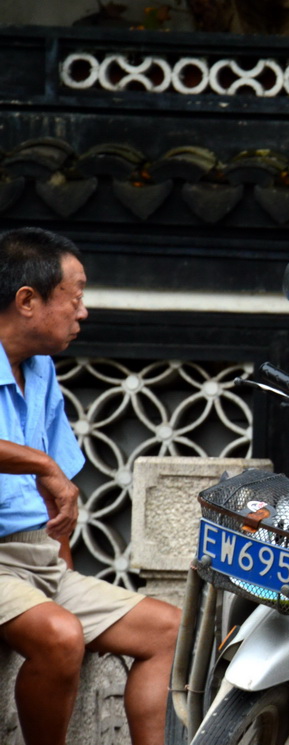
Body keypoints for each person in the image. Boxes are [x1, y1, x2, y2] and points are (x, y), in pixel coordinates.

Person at [0, 227, 180, 745]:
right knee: (59, 635)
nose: (83, 312)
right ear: (28, 300)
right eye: (75, 297)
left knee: (167, 628)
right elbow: (47, 471)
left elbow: (55, 502)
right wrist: (39, 464)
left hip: (37, 563)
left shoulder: (42, 372)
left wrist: (64, 580)